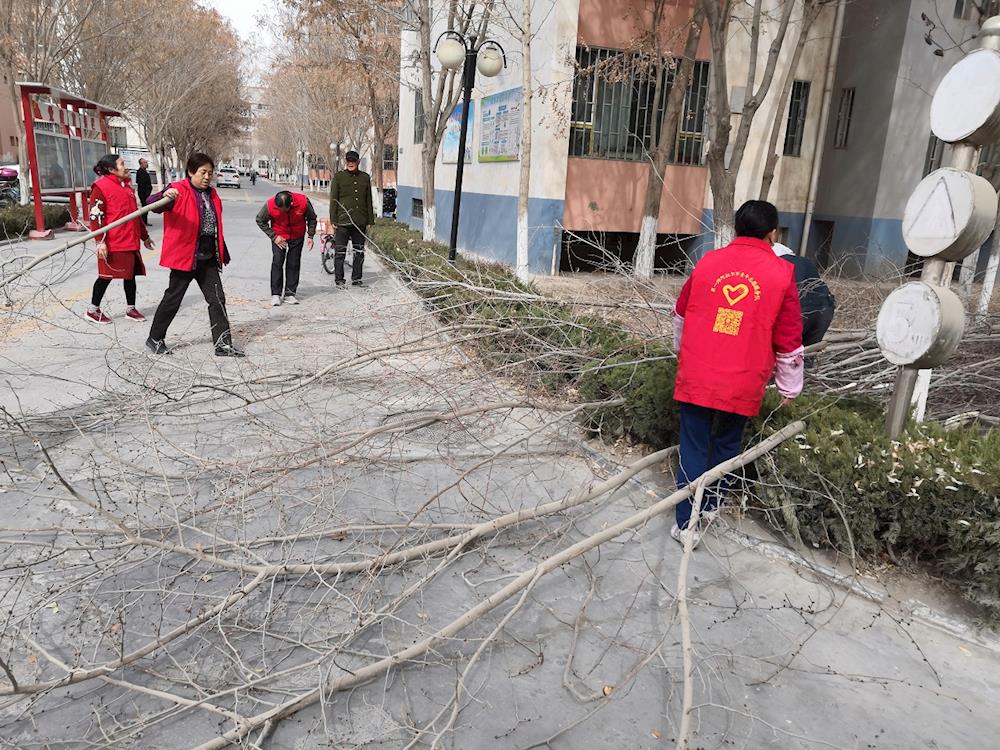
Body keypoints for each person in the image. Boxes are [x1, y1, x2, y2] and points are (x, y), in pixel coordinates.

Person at [670, 200, 804, 547]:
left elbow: (681, 313)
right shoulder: (781, 274)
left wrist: (680, 351)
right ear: (772, 233)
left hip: (699, 372)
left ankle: (686, 525)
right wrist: (789, 387)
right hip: (743, 378)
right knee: (728, 443)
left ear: (735, 229)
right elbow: (788, 339)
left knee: (693, 446)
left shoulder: (708, 262)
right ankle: (712, 505)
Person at [145, 152, 244, 357]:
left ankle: (222, 344)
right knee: (173, 298)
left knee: (217, 299)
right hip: (185, 256)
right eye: (203, 172)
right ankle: (155, 338)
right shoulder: (178, 190)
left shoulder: (212, 194)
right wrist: (163, 196)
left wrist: (221, 250)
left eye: (210, 172)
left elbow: (214, 225)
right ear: (191, 172)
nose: (207, 177)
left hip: (207, 257)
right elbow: (151, 203)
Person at [86, 154, 155, 324]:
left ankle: (130, 309)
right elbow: (96, 216)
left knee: (130, 276)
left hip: (130, 240)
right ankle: (92, 310)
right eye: (122, 164)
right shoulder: (100, 187)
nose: (126, 167)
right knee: (105, 276)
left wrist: (144, 237)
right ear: (111, 169)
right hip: (113, 242)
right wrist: (100, 241)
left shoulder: (127, 188)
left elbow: (136, 215)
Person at [256, 189, 317, 306]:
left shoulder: (303, 201)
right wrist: (274, 237)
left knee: (293, 263)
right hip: (279, 236)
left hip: (297, 235)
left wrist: (310, 235)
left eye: (286, 210)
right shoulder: (269, 205)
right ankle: (276, 294)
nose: (283, 212)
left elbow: (312, 218)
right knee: (277, 262)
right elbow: (260, 220)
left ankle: (290, 294)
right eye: (280, 210)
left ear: (291, 204)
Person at [772, 242, 836, 347]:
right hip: (824, 309)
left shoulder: (778, 264)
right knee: (807, 354)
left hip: (799, 311)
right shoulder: (805, 262)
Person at [329, 150, 375, 287]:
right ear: (345, 162)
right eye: (348, 161)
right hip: (342, 221)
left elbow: (369, 200)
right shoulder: (338, 177)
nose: (350, 163)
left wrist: (370, 220)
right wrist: (333, 220)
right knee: (340, 252)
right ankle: (339, 280)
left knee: (359, 252)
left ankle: (356, 278)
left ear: (358, 162)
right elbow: (333, 200)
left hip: (359, 221)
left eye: (353, 161)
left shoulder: (365, 178)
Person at [136, 158, 153, 226]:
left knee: (146, 207)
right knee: (144, 207)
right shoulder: (140, 172)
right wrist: (146, 192)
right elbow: (141, 183)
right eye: (144, 162)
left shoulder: (145, 171)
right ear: (141, 164)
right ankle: (143, 222)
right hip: (143, 193)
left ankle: (145, 221)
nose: (146, 164)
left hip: (146, 193)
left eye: (146, 162)